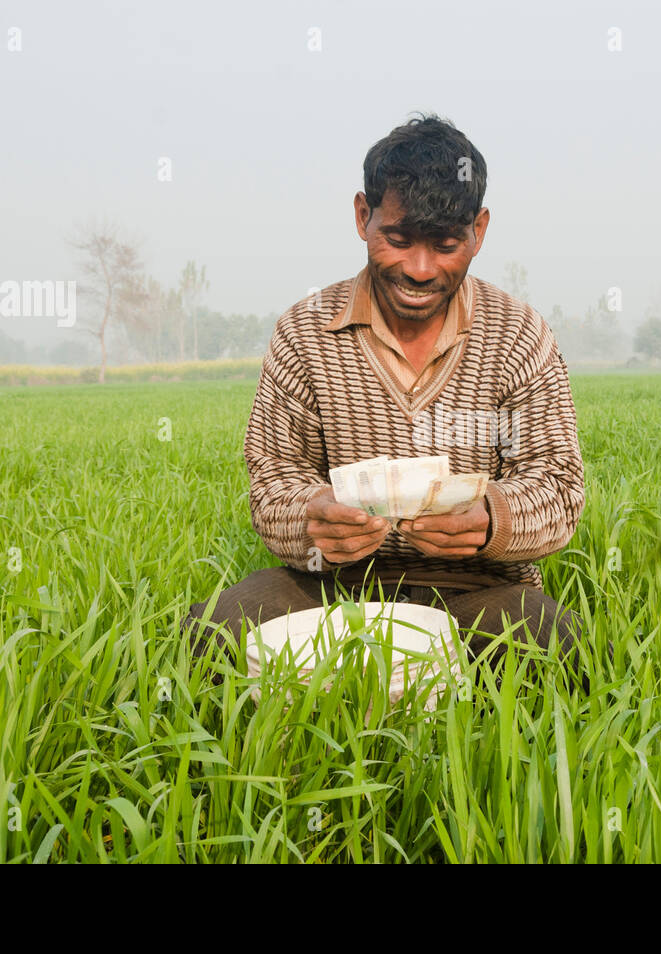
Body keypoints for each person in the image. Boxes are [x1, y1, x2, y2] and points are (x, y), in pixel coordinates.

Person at [184, 112, 587, 687]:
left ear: (480, 230)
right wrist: (313, 519)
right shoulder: (304, 333)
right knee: (218, 633)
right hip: (334, 583)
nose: (419, 270)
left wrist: (491, 519)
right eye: (397, 240)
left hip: (476, 589)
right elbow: (272, 483)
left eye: (445, 246)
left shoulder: (518, 334)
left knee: (554, 644)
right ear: (361, 216)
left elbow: (559, 489)